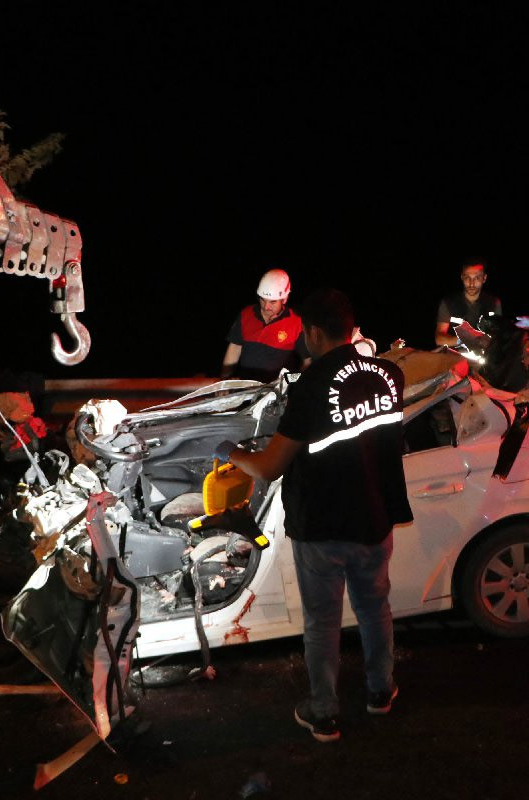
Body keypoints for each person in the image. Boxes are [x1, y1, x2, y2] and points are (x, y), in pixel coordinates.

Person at [214, 288, 412, 743]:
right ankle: (380, 692)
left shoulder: (311, 386)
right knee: (374, 609)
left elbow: (270, 466)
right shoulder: (389, 375)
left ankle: (323, 712)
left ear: (316, 332)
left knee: (322, 622)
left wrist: (233, 451)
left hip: (323, 526)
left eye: (305, 331)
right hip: (375, 519)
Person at [221, 269, 311, 381]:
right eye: (263, 300)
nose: (266, 307)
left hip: (277, 393)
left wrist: (293, 382)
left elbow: (308, 361)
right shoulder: (246, 314)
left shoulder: (296, 323)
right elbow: (234, 350)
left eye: (273, 302)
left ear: (284, 299)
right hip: (246, 388)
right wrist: (224, 379)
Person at [434, 262, 503, 346]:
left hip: (484, 354)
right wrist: (463, 341)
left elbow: (498, 335)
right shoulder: (448, 302)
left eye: (477, 278)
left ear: (484, 278)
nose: (471, 283)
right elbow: (439, 338)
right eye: (467, 278)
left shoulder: (494, 302)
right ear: (462, 277)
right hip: (455, 354)